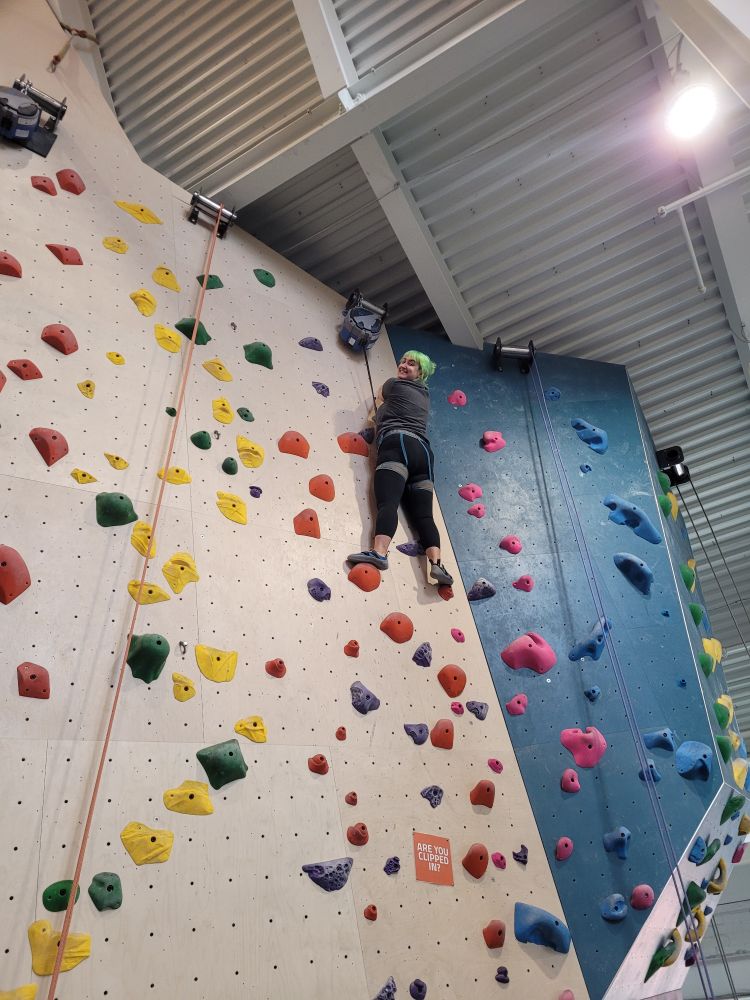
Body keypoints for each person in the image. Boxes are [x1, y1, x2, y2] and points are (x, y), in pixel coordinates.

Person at [347, 350, 454, 586]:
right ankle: (437, 565)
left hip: (398, 443)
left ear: (420, 373)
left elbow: (379, 401)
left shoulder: (394, 385)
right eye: (403, 361)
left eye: (411, 364)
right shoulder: (425, 394)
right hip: (424, 455)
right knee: (424, 515)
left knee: (389, 503)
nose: (404, 365)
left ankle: (379, 553)